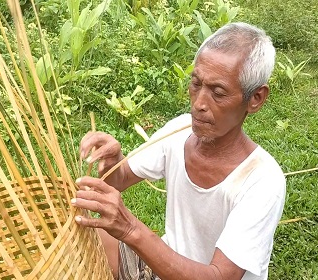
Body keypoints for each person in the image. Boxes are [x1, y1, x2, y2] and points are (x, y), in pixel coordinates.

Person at [71, 22, 286, 280]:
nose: (199, 104)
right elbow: (121, 179)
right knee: (85, 232)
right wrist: (113, 161)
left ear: (255, 99)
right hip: (163, 267)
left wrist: (130, 229)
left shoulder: (262, 181)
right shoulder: (180, 131)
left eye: (217, 93)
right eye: (196, 84)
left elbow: (220, 277)